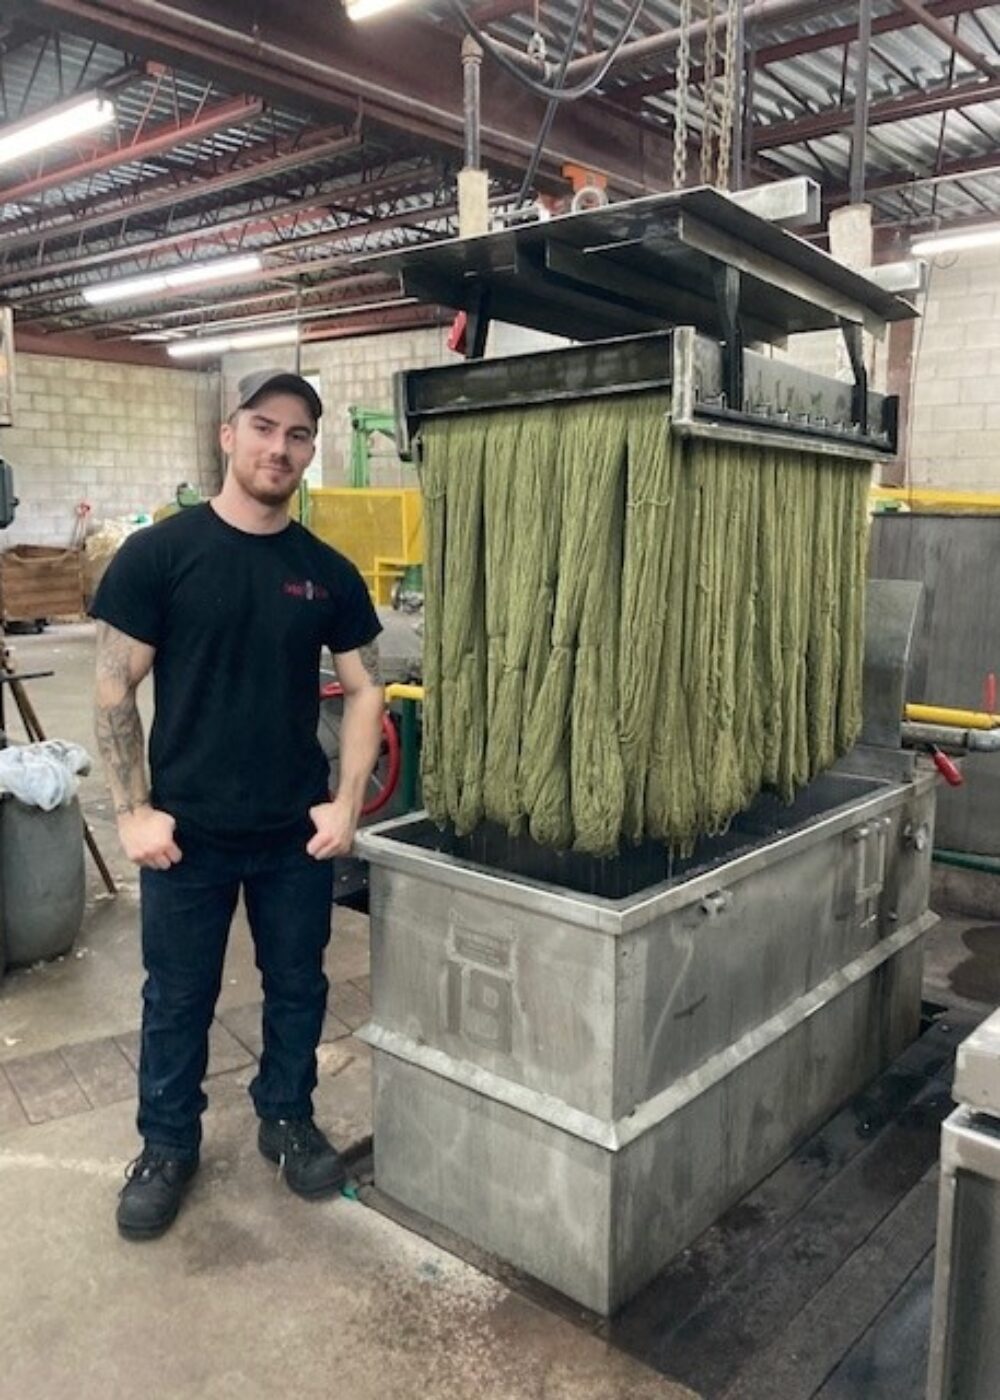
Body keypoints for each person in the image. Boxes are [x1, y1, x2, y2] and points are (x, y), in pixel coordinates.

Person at [92, 368, 384, 1240]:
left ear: (310, 450)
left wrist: (346, 805)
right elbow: (112, 686)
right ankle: (166, 1144)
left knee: (298, 985)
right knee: (177, 997)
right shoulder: (159, 556)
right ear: (229, 435)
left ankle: (286, 1117)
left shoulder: (325, 572)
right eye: (263, 426)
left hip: (293, 834)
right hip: (188, 836)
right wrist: (132, 812)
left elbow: (365, 689)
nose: (278, 448)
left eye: (298, 434)